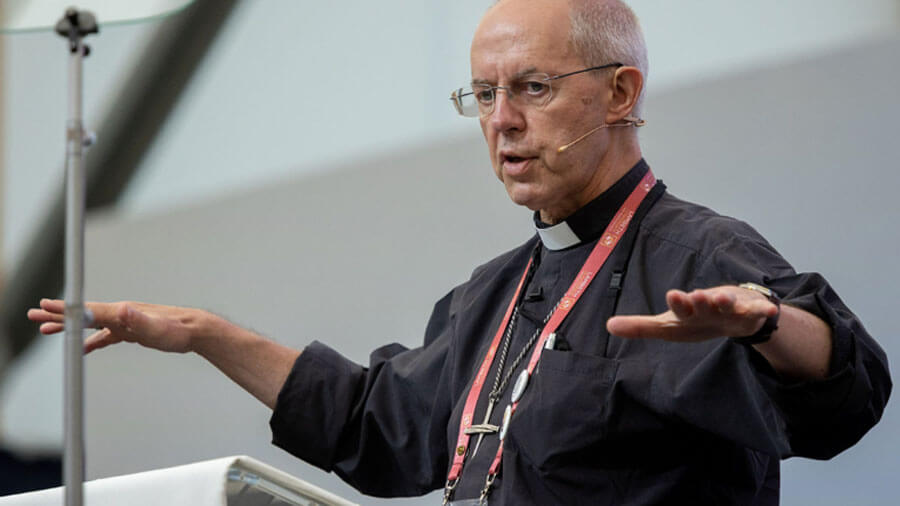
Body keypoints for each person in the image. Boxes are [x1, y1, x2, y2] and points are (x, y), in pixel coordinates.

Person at [28, 0, 891, 504]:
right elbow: (375, 424)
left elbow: (842, 392)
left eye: (532, 88)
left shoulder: (700, 251)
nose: (502, 121)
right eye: (483, 93)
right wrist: (204, 332)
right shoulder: (493, 293)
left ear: (621, 93)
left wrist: (771, 323)